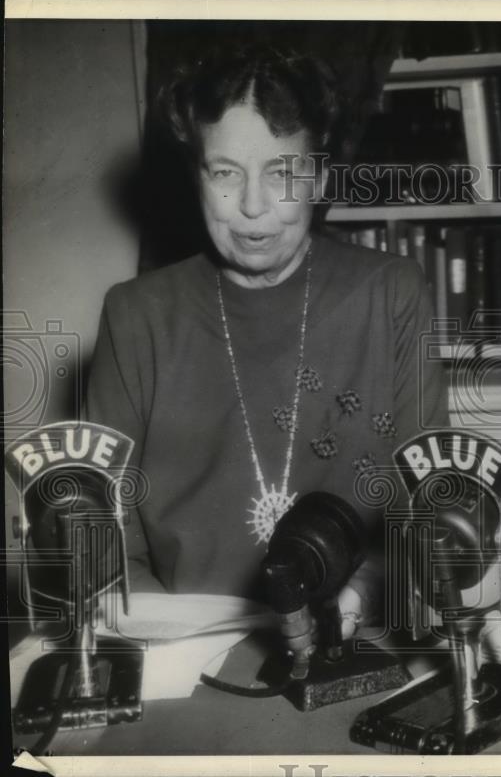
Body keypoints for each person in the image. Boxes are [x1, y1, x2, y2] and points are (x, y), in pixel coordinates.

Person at [84, 43, 449, 636]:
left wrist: (370, 588)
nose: (253, 207)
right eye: (226, 173)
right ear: (197, 177)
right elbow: (104, 530)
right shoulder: (135, 315)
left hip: (352, 637)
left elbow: (423, 503)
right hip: (181, 645)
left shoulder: (392, 294)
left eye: (281, 173)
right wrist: (165, 638)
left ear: (321, 177)